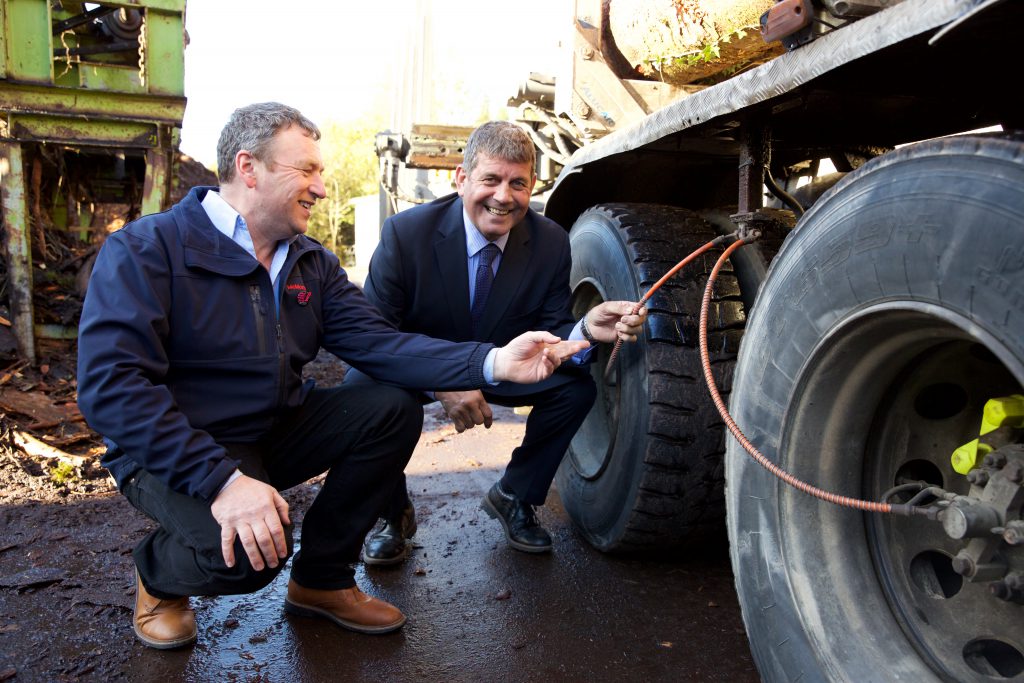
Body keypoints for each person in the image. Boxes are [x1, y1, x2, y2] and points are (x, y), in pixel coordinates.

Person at [76, 103, 588, 649]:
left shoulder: (309, 264)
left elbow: (381, 344)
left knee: (388, 407)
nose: (321, 188)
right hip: (175, 447)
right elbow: (113, 388)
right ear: (249, 168)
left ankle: (322, 579)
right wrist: (223, 482)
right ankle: (157, 573)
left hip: (270, 429)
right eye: (308, 171)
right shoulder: (146, 250)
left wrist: (491, 363)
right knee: (248, 560)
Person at [349, 121, 646, 564]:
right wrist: (440, 383)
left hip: (506, 365)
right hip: (422, 368)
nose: (504, 196)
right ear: (461, 178)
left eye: (518, 183)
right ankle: (391, 513)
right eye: (491, 179)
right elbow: (374, 339)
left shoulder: (549, 242)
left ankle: (514, 495)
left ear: (532, 186)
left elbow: (551, 331)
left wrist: (584, 329)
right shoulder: (405, 234)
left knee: (574, 389)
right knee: (362, 391)